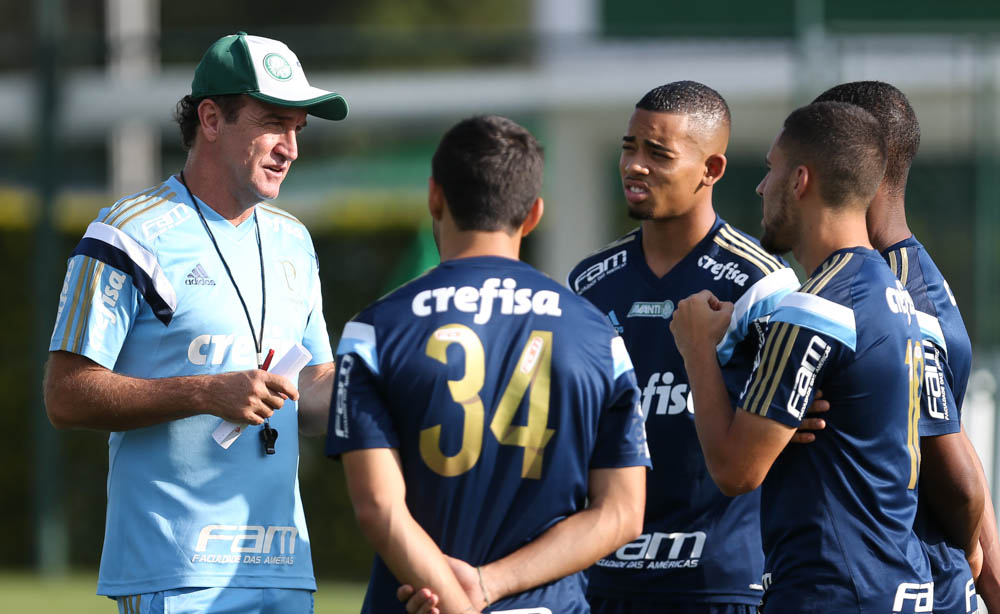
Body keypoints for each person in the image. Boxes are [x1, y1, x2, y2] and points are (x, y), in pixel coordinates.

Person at [44, 32, 345, 614]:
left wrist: (387, 388)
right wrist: (208, 391)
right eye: (273, 123)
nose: (290, 147)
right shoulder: (126, 233)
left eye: (298, 130)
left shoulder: (294, 240)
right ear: (211, 117)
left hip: (283, 567)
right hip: (176, 572)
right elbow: (65, 395)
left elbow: (310, 390)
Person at [326, 115, 650, 614]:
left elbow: (380, 508)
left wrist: (457, 601)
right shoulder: (599, 337)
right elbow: (623, 512)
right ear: (535, 213)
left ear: (435, 196)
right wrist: (488, 584)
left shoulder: (375, 332)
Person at [671, 101, 933, 613]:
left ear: (800, 181)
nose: (760, 187)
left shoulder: (814, 309)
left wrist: (697, 348)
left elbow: (735, 470)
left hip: (833, 592)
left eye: (771, 170)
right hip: (895, 580)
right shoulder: (890, 292)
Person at [565, 81, 800, 614]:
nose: (635, 166)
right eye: (629, 147)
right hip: (603, 581)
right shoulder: (587, 282)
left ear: (711, 170)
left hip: (720, 584)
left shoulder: (762, 284)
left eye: (658, 153)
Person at [810, 80, 1000, 614]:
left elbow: (958, 476)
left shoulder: (895, 296)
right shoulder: (892, 278)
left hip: (903, 583)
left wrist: (972, 557)